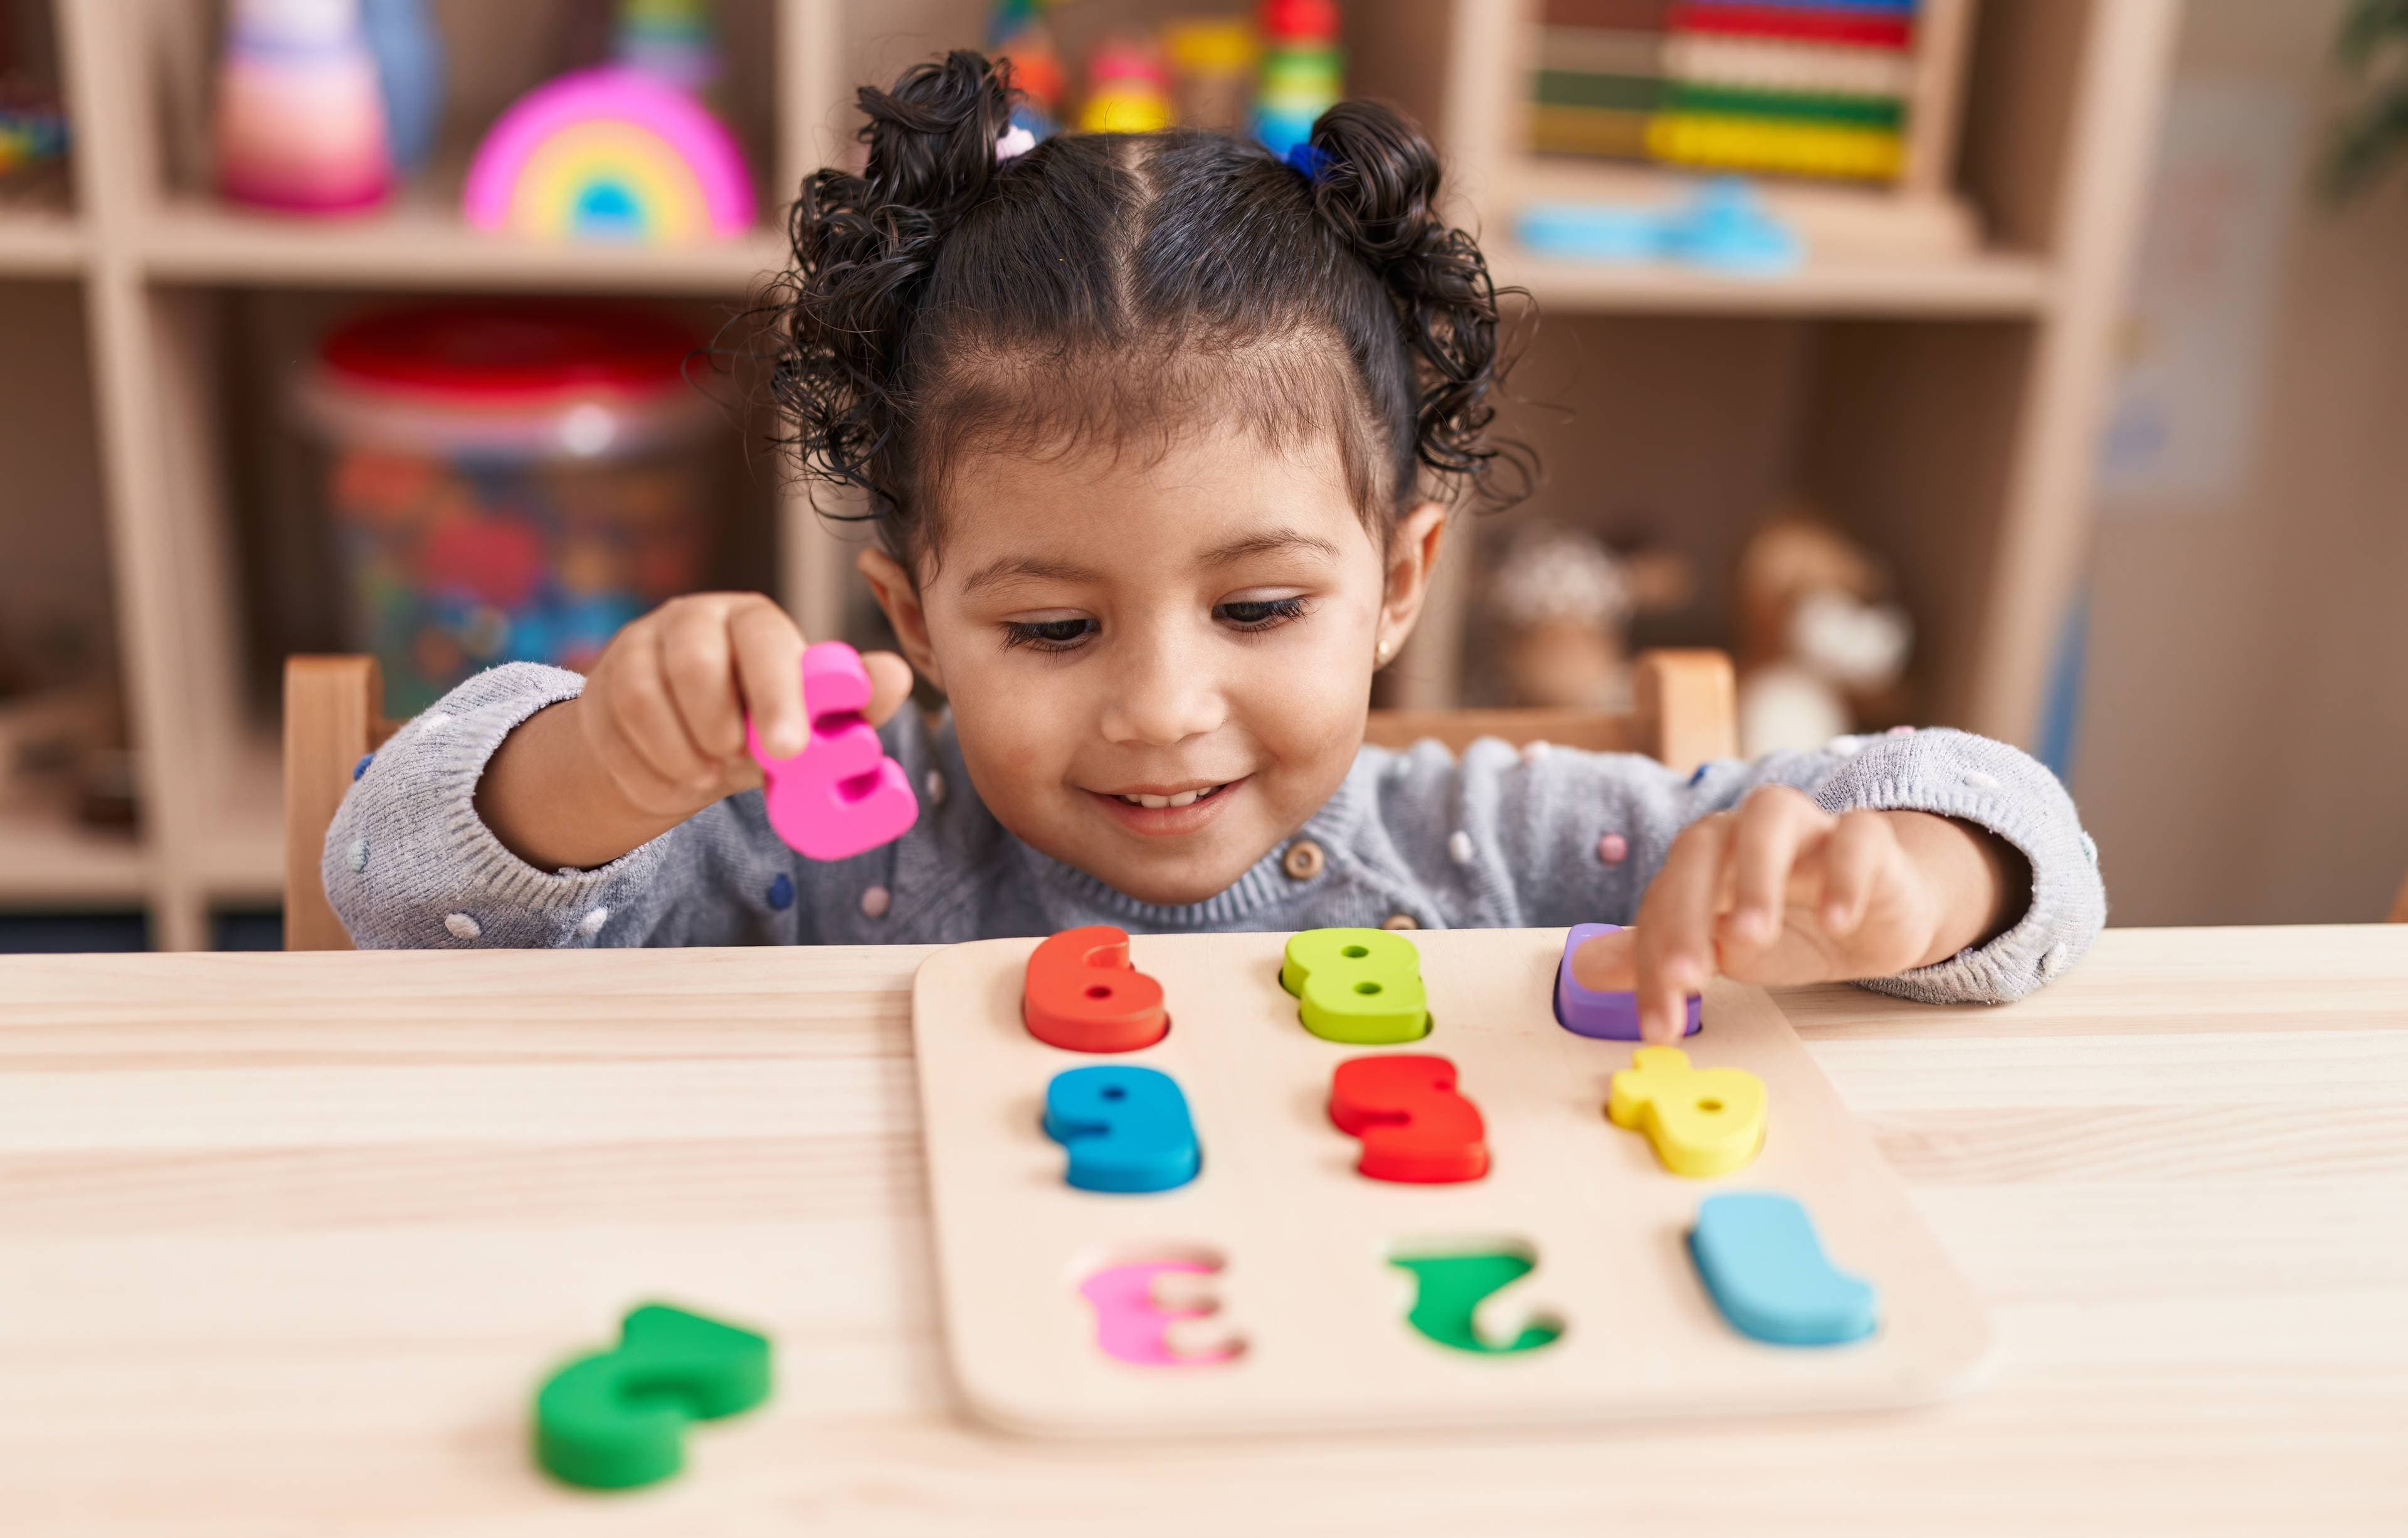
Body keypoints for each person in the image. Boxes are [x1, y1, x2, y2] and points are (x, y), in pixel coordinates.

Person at [327, 52, 2104, 1043]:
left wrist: (1912, 875)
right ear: (913, 621)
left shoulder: (1489, 846)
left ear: (1401, 582)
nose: (1167, 709)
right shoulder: (822, 868)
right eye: (1049, 628)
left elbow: (2031, 841)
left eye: (1260, 604)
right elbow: (395, 897)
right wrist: (600, 760)